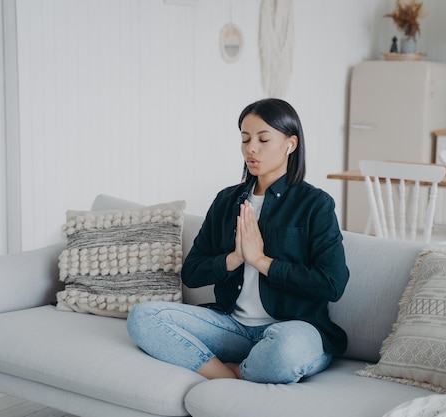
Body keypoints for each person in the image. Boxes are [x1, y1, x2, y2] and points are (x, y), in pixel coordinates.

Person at [127, 98, 349, 384]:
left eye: (263, 139)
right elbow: (192, 273)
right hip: (232, 328)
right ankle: (227, 374)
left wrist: (262, 261)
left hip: (293, 329)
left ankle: (239, 370)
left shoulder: (315, 204)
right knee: (143, 317)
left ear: (290, 144)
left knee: (287, 352)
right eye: (245, 139)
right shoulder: (226, 201)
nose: (251, 149)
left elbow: (332, 284)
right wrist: (235, 258)